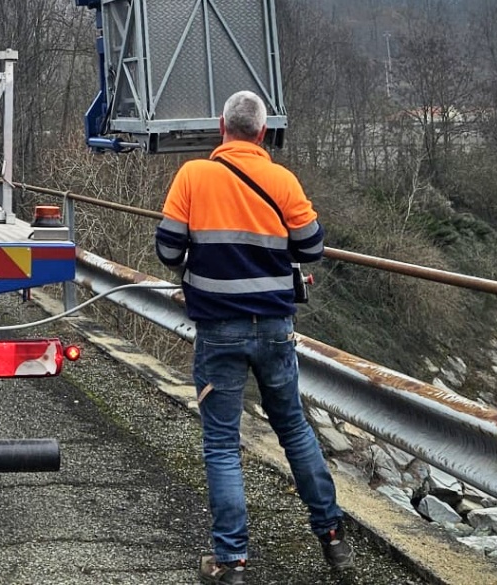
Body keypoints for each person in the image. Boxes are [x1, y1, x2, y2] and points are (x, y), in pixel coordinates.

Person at [155, 90, 354, 584]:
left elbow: (166, 249)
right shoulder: (282, 180)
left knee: (222, 445)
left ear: (221, 125)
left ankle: (232, 562)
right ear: (262, 133)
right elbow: (311, 247)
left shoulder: (193, 177)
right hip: (274, 328)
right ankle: (332, 539)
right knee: (294, 430)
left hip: (218, 329)